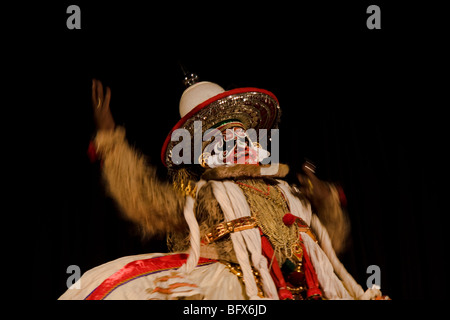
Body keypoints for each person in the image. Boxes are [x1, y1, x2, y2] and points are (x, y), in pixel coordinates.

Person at [59, 77, 385, 300]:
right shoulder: (201, 194)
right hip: (236, 288)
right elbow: (145, 201)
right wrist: (111, 141)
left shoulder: (289, 193)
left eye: (240, 135)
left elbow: (333, 241)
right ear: (204, 153)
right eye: (221, 138)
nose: (235, 142)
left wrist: (326, 200)